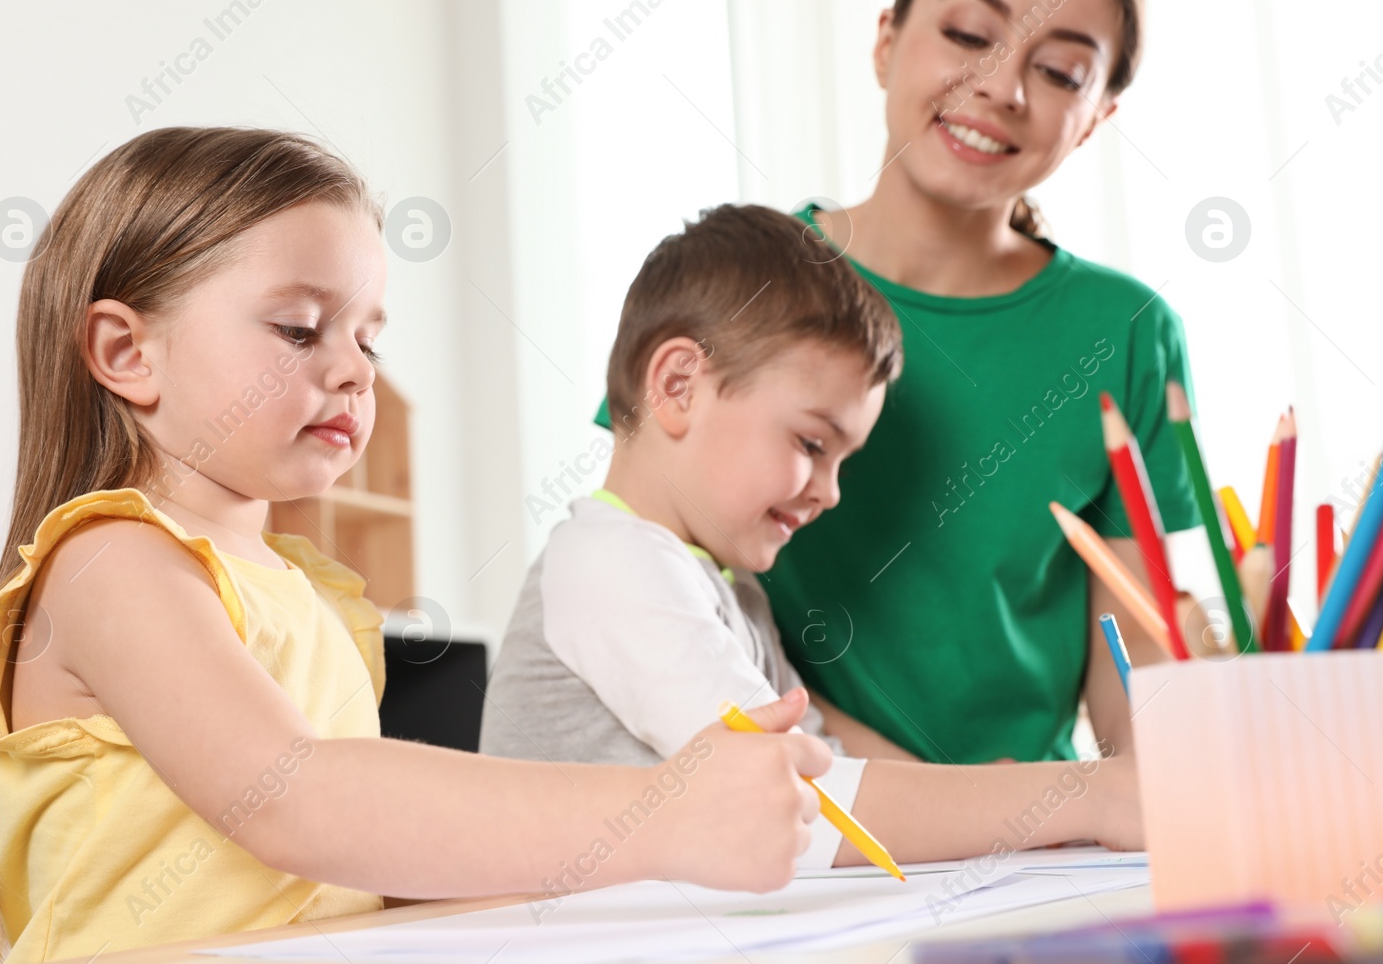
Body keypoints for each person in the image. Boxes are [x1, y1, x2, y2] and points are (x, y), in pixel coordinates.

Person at [0, 127, 834, 962]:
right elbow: (298, 800)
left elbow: (356, 881)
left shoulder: (301, 591)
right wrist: (661, 812)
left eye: (369, 337)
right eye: (300, 328)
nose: (358, 369)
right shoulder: (111, 562)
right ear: (127, 352)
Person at [593, 0, 1199, 766]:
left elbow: (1131, 664)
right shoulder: (735, 277)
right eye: (966, 33)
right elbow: (646, 564)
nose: (1002, 86)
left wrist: (1154, 804)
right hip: (798, 821)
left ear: (1098, 115)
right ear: (886, 40)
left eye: (1062, 72)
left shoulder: (1127, 331)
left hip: (1034, 848)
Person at [485, 204, 1142, 869]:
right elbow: (794, 790)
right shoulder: (610, 565)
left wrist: (998, 798)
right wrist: (1073, 796)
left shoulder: (727, 587)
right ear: (678, 385)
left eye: (842, 460)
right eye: (811, 442)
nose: (830, 491)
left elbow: (817, 746)